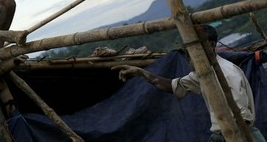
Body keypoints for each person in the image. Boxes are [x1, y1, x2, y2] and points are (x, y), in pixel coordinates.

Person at [112, 24, 266, 142]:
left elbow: (242, 120)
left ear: (211, 45)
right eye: (187, 49)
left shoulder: (227, 74)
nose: (189, 55)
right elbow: (175, 86)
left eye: (193, 49)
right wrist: (141, 73)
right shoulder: (204, 74)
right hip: (222, 136)